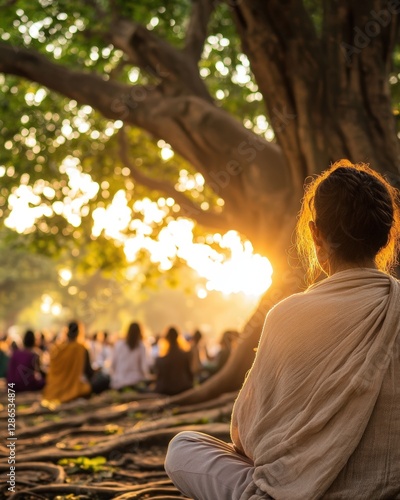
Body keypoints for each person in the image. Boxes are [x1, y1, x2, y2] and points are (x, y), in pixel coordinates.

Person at [165, 161, 400, 499]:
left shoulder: (287, 314)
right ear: (386, 233)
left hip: (291, 493)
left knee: (184, 446)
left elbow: (245, 437)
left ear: (316, 233)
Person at [43, 321, 102, 403]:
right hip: (74, 389)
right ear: (79, 333)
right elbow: (88, 373)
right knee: (103, 379)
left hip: (55, 389)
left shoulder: (58, 349)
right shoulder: (81, 349)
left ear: (66, 332)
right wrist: (97, 372)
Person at [110, 322, 150, 391]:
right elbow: (144, 368)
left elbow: (113, 365)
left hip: (118, 382)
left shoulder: (119, 344)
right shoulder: (140, 346)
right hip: (135, 383)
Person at [154, 326, 194, 396]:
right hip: (183, 388)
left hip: (166, 390)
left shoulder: (161, 360)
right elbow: (190, 374)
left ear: (166, 339)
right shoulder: (185, 355)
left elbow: (159, 378)